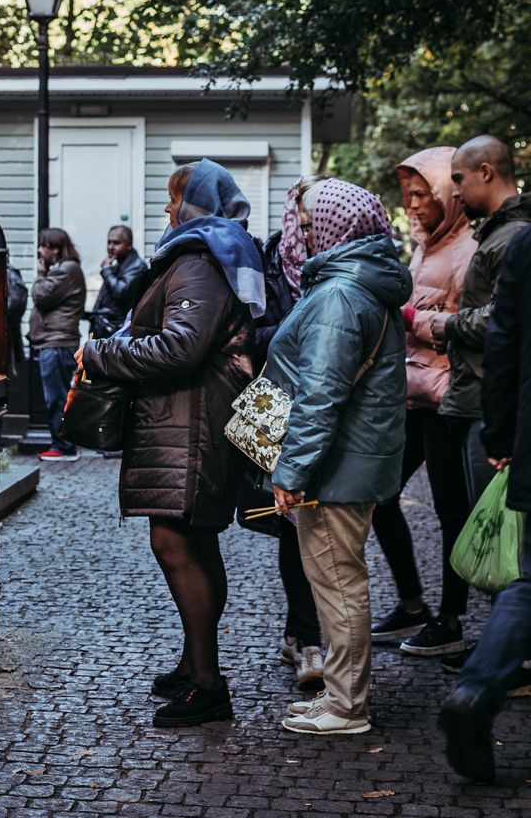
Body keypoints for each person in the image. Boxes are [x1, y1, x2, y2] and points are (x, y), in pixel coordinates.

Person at [76, 158, 265, 728]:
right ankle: (194, 664)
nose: (166, 209)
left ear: (197, 202)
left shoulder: (201, 257)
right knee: (195, 544)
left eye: (174, 198)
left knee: (177, 544)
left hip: (191, 422)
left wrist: (99, 353)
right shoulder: (215, 253)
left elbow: (180, 347)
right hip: (192, 419)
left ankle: (207, 686)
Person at [266, 178, 411, 735]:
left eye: (308, 223)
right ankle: (338, 692)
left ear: (336, 226)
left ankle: (347, 705)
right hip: (353, 459)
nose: (302, 232)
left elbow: (319, 393)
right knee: (339, 579)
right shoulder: (360, 283)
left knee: (338, 582)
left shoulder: (339, 294)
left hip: (337, 467)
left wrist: (292, 471)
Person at [369, 148, 475, 656]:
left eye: (421, 193)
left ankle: (452, 623)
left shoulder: (469, 249)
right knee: (380, 494)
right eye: (406, 193)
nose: (410, 203)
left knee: (451, 511)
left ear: (448, 195)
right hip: (412, 393)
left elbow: (476, 328)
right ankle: (413, 606)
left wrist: (415, 320)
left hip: (447, 398)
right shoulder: (425, 245)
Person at [439, 223, 531, 783]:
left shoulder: (525, 243)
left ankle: (476, 689)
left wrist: (500, 435)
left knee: (528, 579)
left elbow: (503, 340)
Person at [436, 134, 531, 672]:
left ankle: (508, 659)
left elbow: (499, 325)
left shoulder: (513, 236)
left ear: (488, 172)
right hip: (478, 400)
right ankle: (503, 649)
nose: (454, 192)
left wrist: (441, 322)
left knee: (503, 534)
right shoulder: (498, 234)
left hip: (488, 406)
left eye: (459, 179)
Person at [246, 175, 324, 690]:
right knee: (289, 521)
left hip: (324, 404)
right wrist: (296, 330)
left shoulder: (340, 262)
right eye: (304, 213)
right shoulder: (269, 259)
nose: (308, 226)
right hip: (277, 401)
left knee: (320, 520)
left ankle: (311, 633)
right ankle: (305, 634)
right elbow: (247, 333)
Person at [29, 228, 86, 462]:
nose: (40, 251)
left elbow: (40, 295)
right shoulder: (65, 270)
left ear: (54, 248)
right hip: (54, 342)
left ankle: (63, 447)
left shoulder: (66, 270)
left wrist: (41, 274)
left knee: (57, 397)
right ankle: (64, 444)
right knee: (59, 396)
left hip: (57, 344)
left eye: (43, 246)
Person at [89, 225, 148, 339]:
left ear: (129, 245)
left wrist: (106, 270)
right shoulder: (119, 263)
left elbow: (120, 291)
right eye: (109, 242)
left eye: (116, 243)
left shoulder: (137, 266)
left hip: (117, 331)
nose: (110, 247)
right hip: (107, 329)